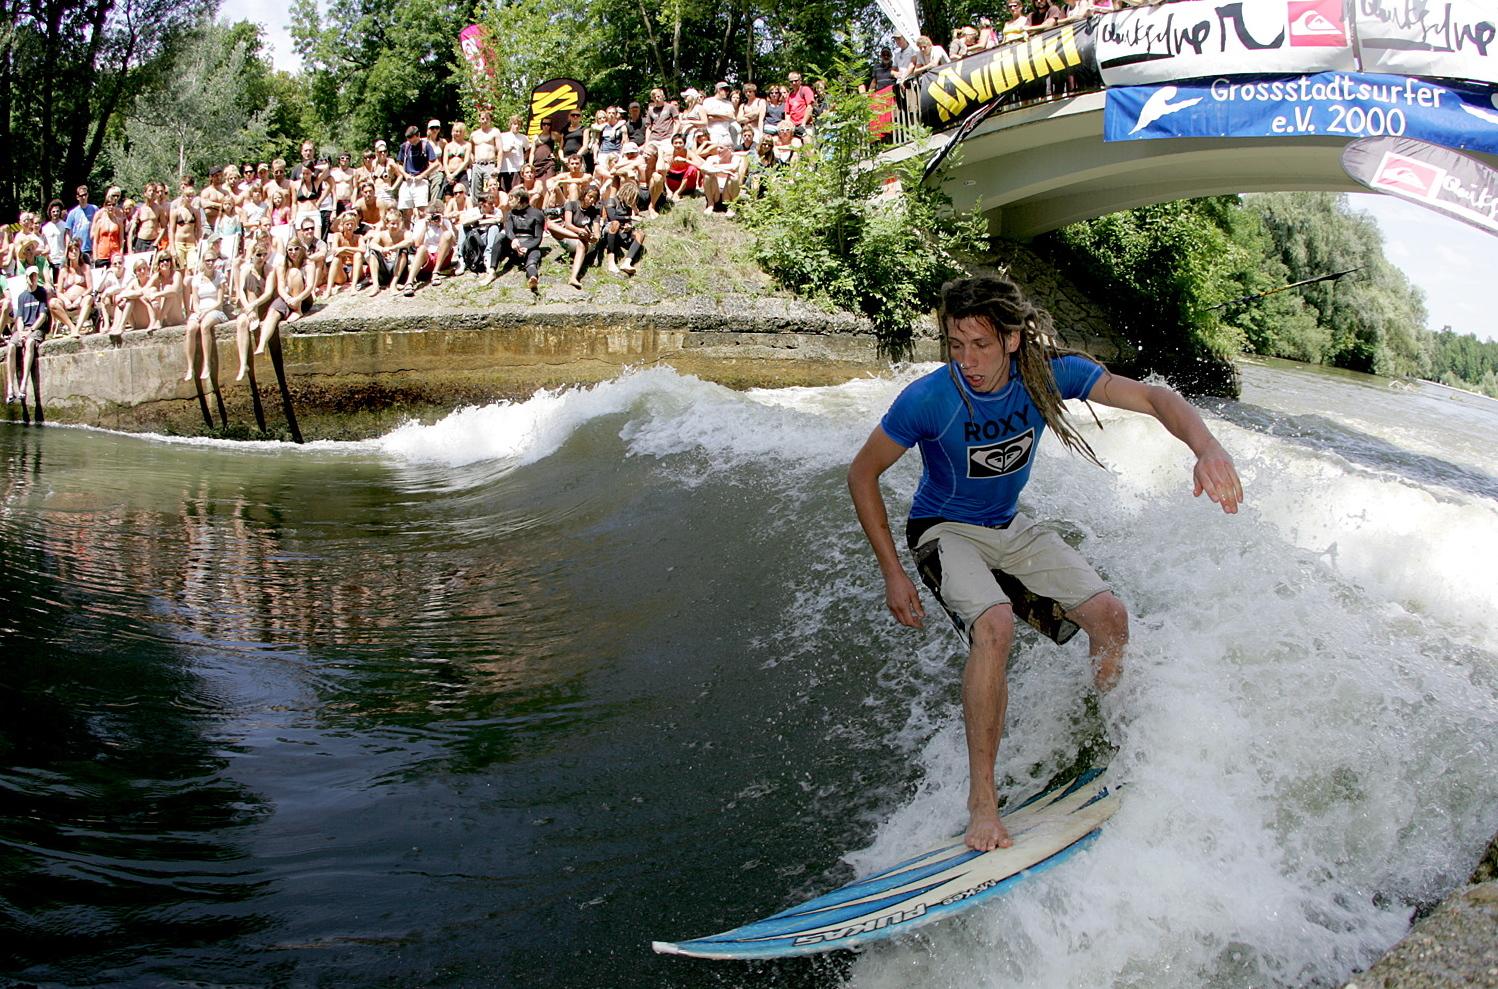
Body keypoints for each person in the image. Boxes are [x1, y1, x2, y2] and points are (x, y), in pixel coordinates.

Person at [846, 274, 1243, 852]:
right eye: (956, 346)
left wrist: (1207, 448)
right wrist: (892, 572)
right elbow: (862, 474)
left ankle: (1105, 743)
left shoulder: (1047, 375)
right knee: (996, 625)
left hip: (1008, 526)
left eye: (979, 345)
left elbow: (1158, 398)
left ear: (1010, 339)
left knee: (1110, 616)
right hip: (943, 530)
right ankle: (983, 802)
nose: (967, 361)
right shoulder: (930, 398)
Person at [8, 266, 49, 404]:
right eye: (31, 276)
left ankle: (24, 384)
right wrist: (20, 332)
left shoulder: (42, 292)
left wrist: (30, 330)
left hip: (36, 328)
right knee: (11, 347)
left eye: (35, 276)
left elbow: (43, 316)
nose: (33, 278)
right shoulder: (22, 296)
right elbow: (19, 318)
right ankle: (10, 387)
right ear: (26, 278)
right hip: (23, 328)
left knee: (30, 343)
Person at [504, 187, 546, 293]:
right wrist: (513, 240)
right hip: (514, 247)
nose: (508, 202)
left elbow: (538, 238)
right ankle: (491, 271)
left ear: (518, 199)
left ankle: (533, 278)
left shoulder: (537, 214)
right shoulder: (510, 214)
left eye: (511, 199)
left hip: (529, 246)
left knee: (533, 258)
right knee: (499, 238)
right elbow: (508, 230)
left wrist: (526, 247)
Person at [66, 185, 98, 264]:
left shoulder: (94, 209)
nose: (83, 197)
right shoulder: (72, 213)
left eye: (85, 195)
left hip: (92, 248)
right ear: (77, 197)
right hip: (77, 250)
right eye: (81, 196)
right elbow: (68, 234)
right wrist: (68, 250)